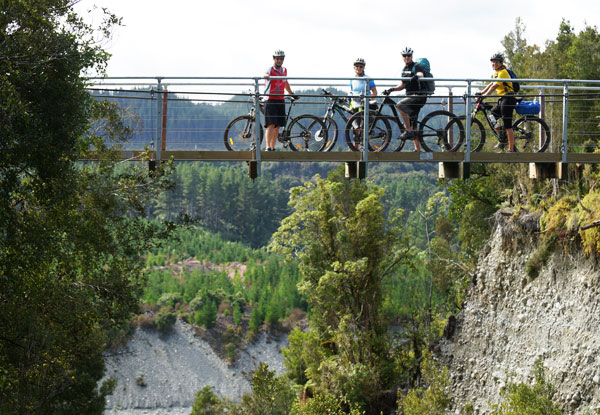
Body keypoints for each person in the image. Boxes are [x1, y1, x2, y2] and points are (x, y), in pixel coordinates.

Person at [384, 47, 428, 152]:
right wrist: (392, 89)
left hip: (418, 96)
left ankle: (408, 130)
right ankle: (417, 149)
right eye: (404, 56)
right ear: (402, 57)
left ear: (412, 56)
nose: (407, 57)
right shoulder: (404, 70)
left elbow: (420, 74)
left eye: (408, 56)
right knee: (413, 122)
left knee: (399, 105)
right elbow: (402, 85)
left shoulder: (416, 66)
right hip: (410, 96)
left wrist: (416, 77)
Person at [479, 53, 517, 152]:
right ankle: (502, 138)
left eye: (496, 62)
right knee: (492, 116)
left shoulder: (503, 72)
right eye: (493, 62)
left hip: (508, 99)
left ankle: (511, 149)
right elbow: (491, 83)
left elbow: (494, 86)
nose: (494, 64)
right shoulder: (496, 74)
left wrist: (485, 96)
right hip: (502, 99)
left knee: (508, 125)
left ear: (500, 63)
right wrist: (481, 93)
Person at [264, 49, 298, 151]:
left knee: (277, 126)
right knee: (270, 124)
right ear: (274, 59)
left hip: (280, 99)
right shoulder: (270, 69)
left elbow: (285, 82)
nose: (279, 61)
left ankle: (272, 147)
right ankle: (267, 146)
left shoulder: (284, 70)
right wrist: (266, 76)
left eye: (281, 59)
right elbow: (266, 74)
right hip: (270, 99)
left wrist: (291, 93)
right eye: (277, 59)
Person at [349, 58, 378, 149]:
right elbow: (352, 91)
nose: (359, 68)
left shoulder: (368, 79)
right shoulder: (352, 80)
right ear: (354, 68)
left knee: (365, 127)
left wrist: (368, 100)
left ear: (364, 67)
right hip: (355, 105)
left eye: (361, 66)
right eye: (357, 66)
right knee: (355, 128)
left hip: (365, 104)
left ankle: (366, 148)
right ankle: (355, 149)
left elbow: (374, 92)